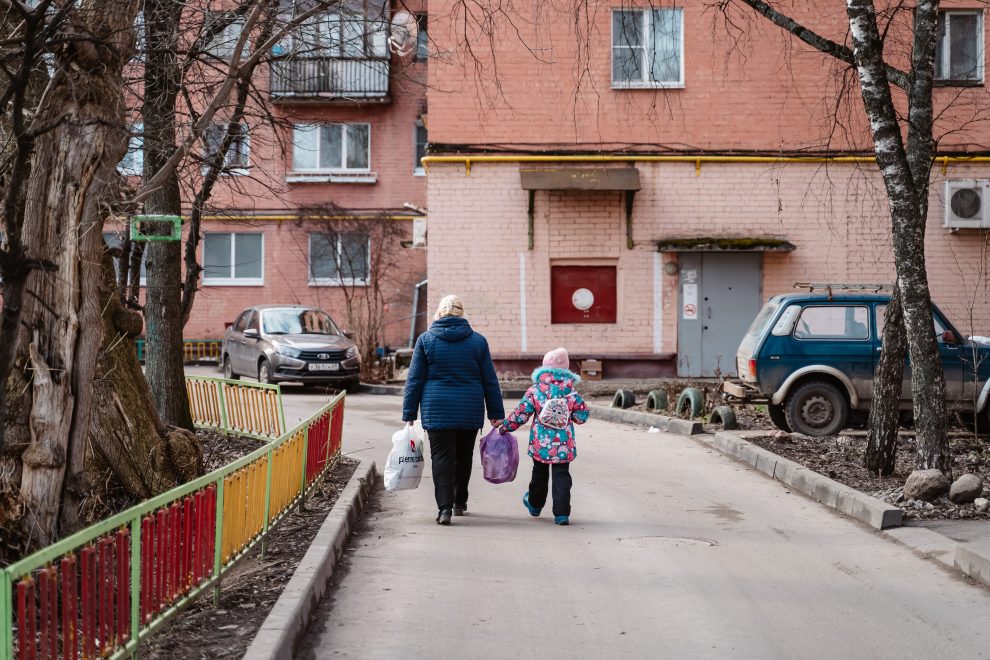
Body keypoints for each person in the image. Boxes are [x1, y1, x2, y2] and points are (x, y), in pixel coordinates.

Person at [402, 295, 505, 525]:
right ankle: (460, 501)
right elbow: (490, 380)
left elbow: (415, 380)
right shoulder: (478, 341)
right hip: (469, 410)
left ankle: (444, 509)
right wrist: (496, 414)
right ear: (461, 313)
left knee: (442, 458)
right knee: (463, 456)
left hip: (436, 409)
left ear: (439, 313)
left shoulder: (425, 340)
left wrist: (409, 413)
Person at [497, 347, 589, 525]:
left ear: (544, 369)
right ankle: (562, 513)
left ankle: (534, 505)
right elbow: (582, 416)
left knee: (539, 473)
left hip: (541, 442)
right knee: (562, 475)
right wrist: (572, 417)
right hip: (564, 443)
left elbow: (521, 414)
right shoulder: (571, 392)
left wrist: (506, 427)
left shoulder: (536, 390)